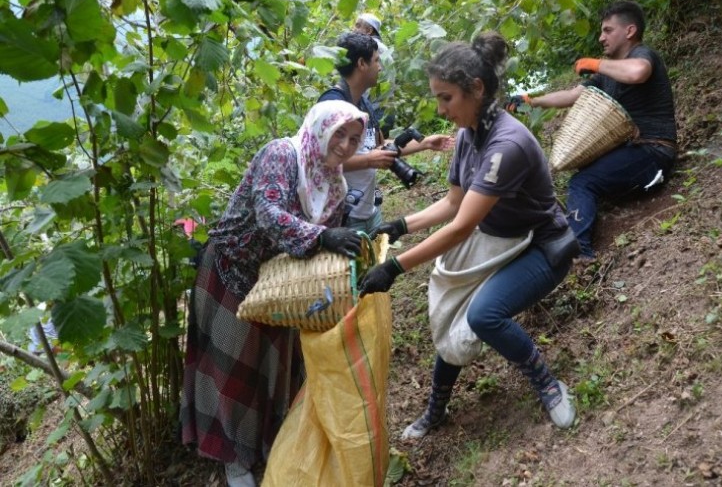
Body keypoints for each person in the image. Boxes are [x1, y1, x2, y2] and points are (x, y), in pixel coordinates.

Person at [359, 31, 579, 439]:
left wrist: (395, 267)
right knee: (451, 316)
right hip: (499, 240)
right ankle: (436, 408)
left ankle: (547, 383)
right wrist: (402, 224)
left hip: (541, 246)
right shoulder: (467, 135)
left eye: (447, 98)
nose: (441, 109)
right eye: (437, 98)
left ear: (476, 89)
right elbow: (453, 204)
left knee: (481, 315)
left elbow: (460, 226)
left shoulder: (505, 144)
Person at [180, 100, 368, 487]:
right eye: (340, 134)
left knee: (274, 367)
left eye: (354, 139)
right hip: (233, 272)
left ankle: (267, 442)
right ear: (320, 128)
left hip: (280, 285)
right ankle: (234, 458)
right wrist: (323, 235)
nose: (346, 146)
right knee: (231, 367)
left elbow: (325, 242)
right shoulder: (282, 155)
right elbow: (268, 212)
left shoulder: (334, 184)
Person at [505, 0, 677, 262]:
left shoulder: (642, 56)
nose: (601, 37)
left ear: (629, 31)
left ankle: (580, 253)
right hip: (634, 150)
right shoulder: (609, 73)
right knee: (582, 175)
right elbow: (574, 94)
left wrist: (596, 64)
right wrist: (531, 100)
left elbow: (638, 72)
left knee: (582, 182)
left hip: (654, 152)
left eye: (608, 30)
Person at [318, 32, 454, 234]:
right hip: (340, 217)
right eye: (376, 60)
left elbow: (379, 148)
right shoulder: (332, 105)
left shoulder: (364, 104)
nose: (380, 67)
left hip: (369, 210)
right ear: (362, 64)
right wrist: (369, 160)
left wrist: (425, 143)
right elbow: (320, 161)